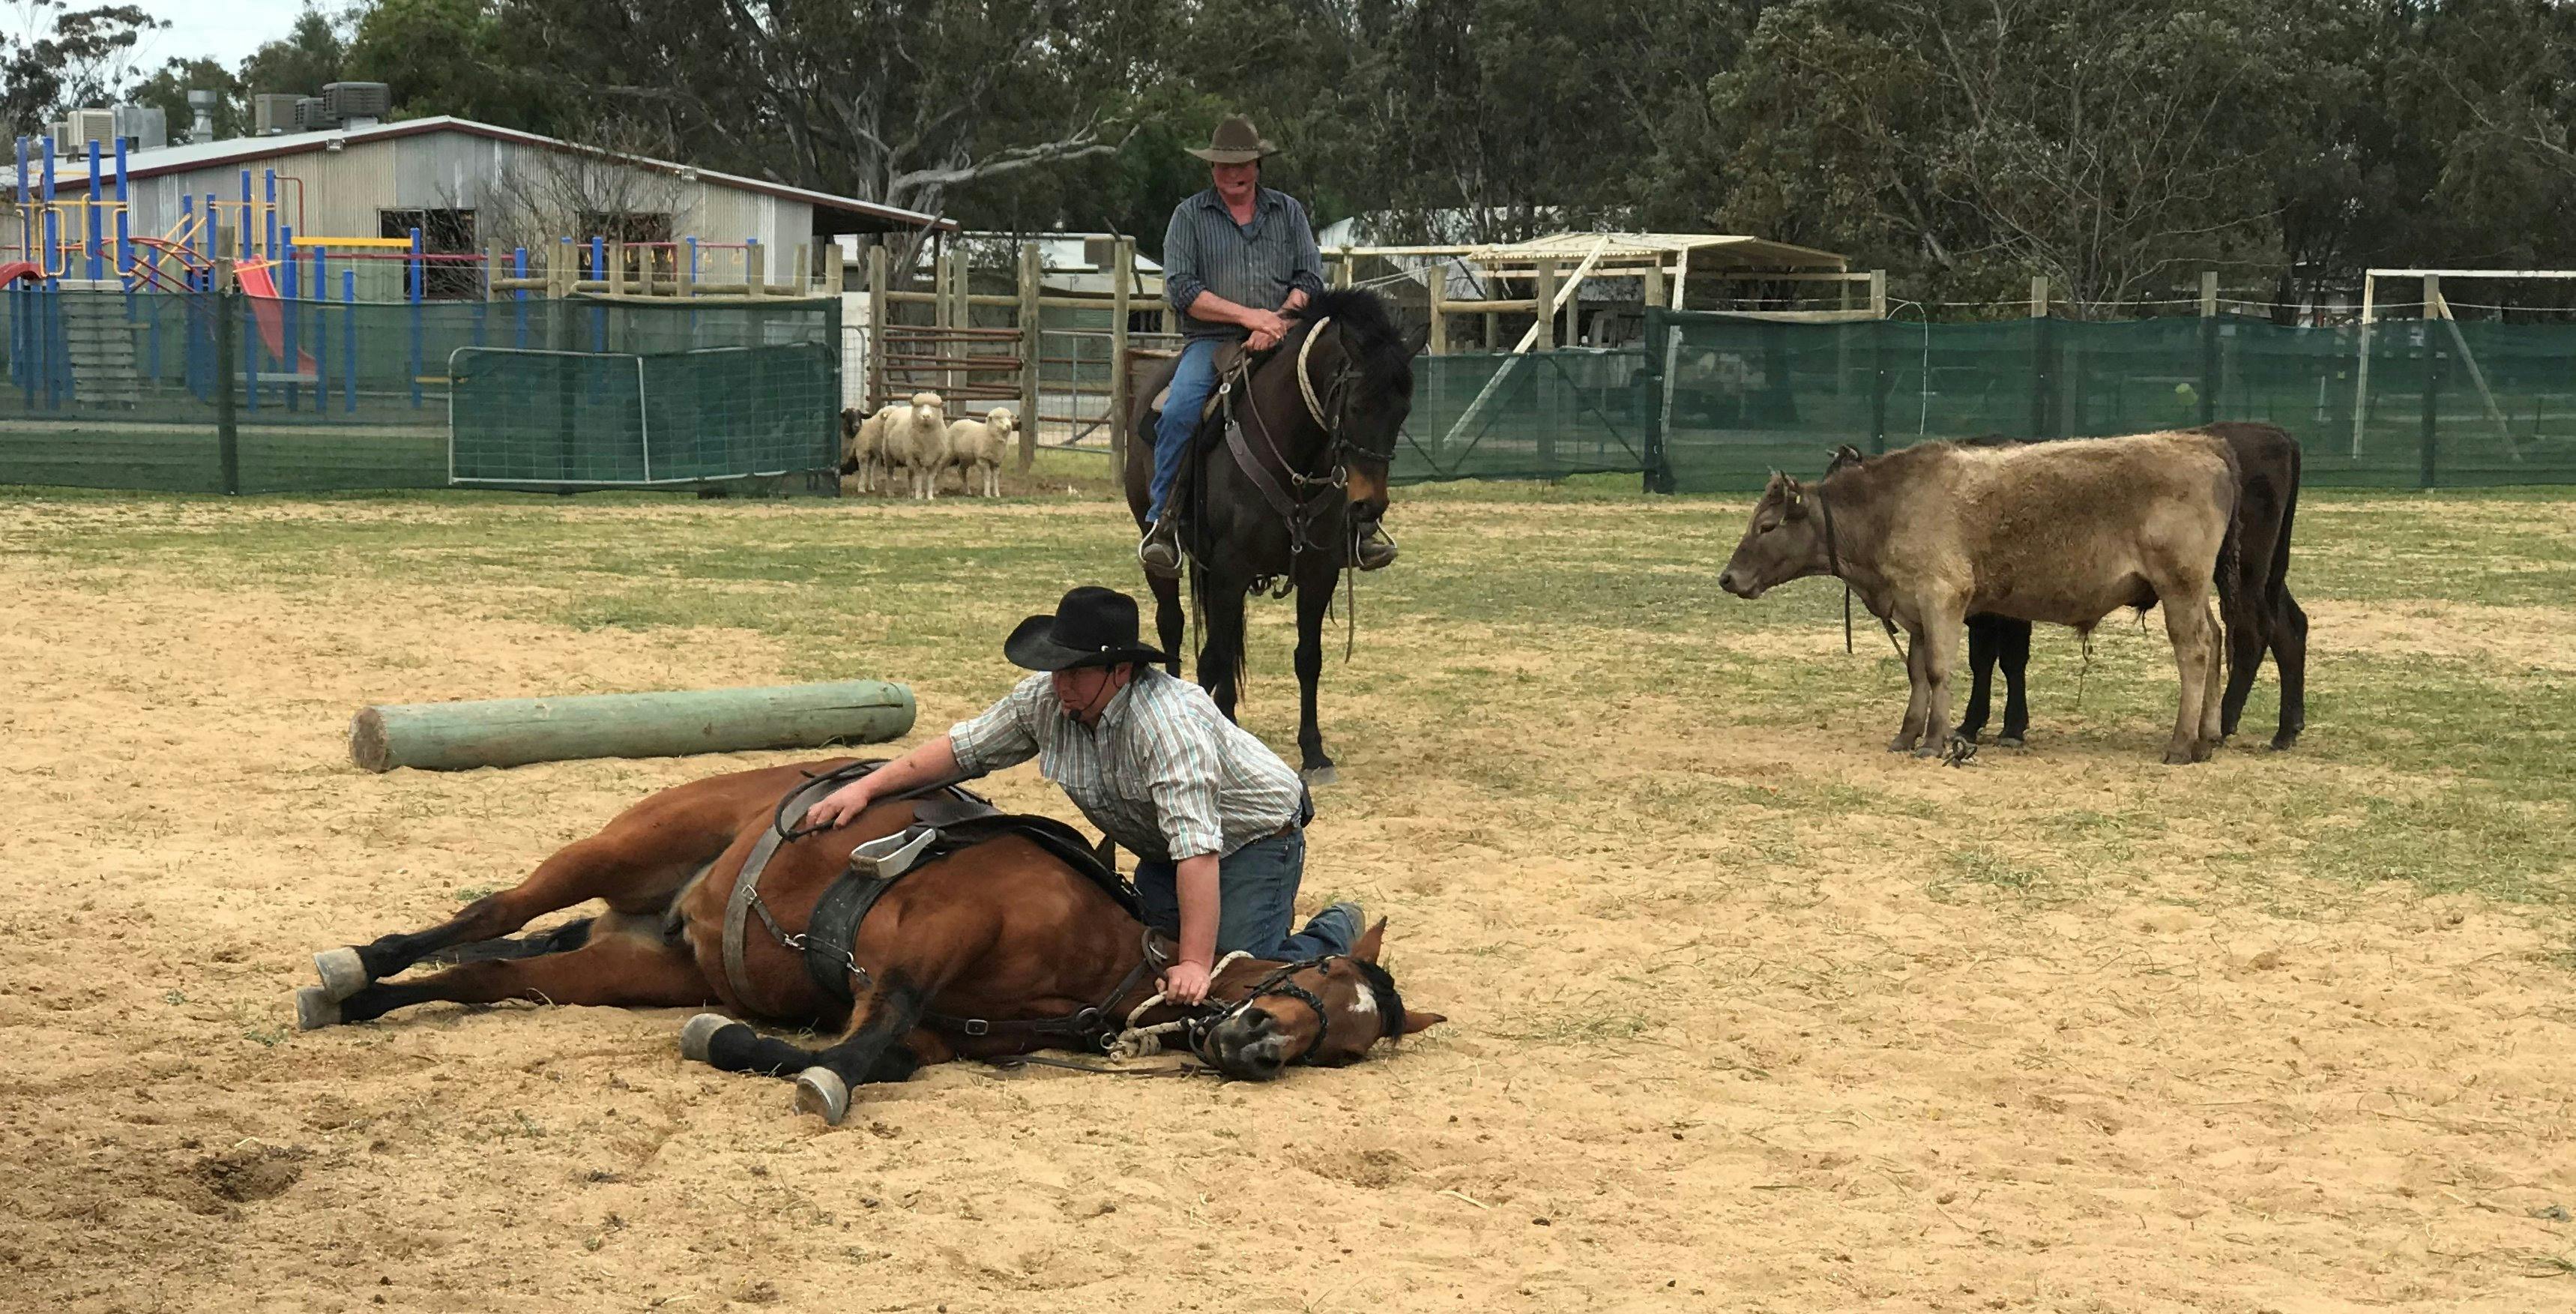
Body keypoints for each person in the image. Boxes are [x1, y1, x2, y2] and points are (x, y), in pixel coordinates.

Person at [803, 585, 1360, 1004]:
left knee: (1232, 976)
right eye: (1054, 668)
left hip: (1254, 836)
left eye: (1073, 670)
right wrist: (865, 786)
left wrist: (1194, 962)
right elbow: (961, 749)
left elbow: (1198, 847)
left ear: (1120, 670)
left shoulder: (1168, 724)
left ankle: (1333, 929)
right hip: (1164, 846)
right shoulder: (1047, 701)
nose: (1058, 681)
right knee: (1142, 965)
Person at [1141, 115, 1396, 578]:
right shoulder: (1188, 217)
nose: (1232, 175)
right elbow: (1181, 288)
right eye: (1222, 166)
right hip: (1212, 341)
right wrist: (1249, 318)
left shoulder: (1289, 212)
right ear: (1211, 168)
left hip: (1287, 335)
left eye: (1241, 166)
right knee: (1179, 409)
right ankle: (1165, 523)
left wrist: (1277, 322)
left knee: (1344, 399)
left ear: (1258, 165)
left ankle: (1360, 526)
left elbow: (1308, 278)